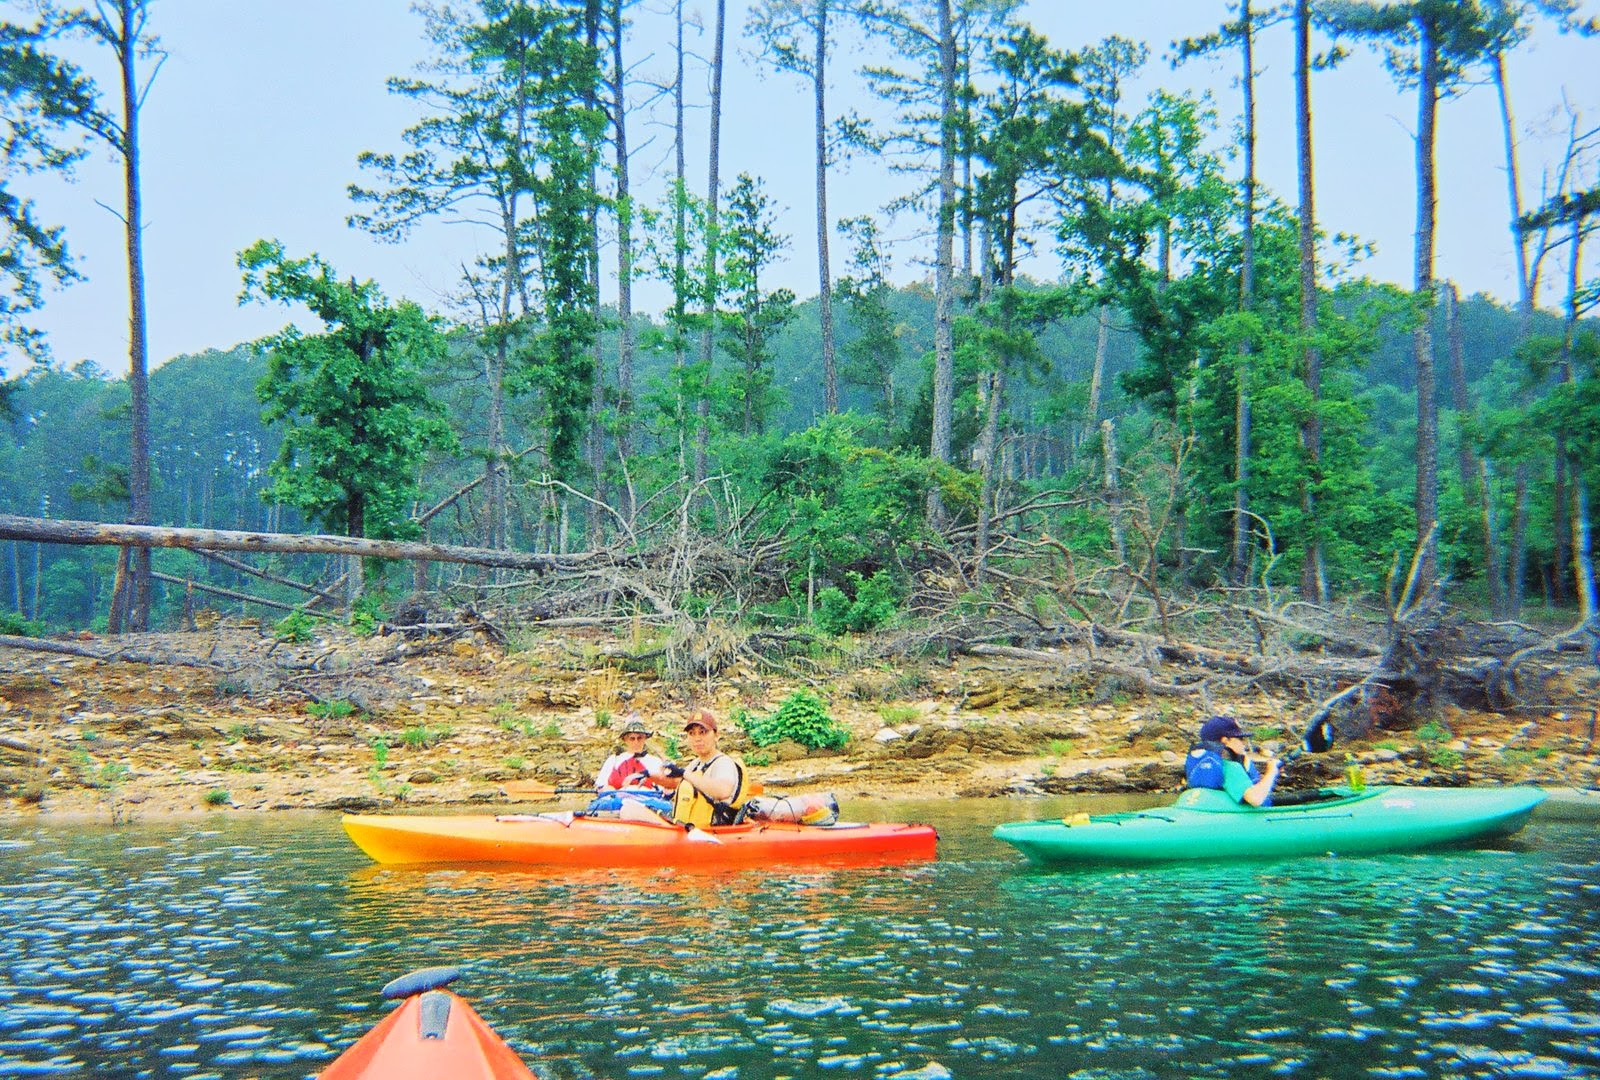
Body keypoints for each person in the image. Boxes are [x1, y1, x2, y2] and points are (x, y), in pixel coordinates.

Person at [647, 709, 749, 827]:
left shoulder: (724, 763)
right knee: (631, 808)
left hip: (711, 830)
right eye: (692, 733)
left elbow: (723, 790)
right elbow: (676, 783)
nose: (697, 738)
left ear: (716, 736)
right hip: (687, 827)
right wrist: (648, 775)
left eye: (703, 732)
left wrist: (684, 773)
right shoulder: (696, 764)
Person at [1184, 715, 1280, 807]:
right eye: (1240, 738)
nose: (1244, 743)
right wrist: (1271, 771)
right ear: (1225, 740)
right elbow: (1255, 799)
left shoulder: (1199, 760)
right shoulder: (1230, 767)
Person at [593, 716, 667, 793]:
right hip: (617, 801)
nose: (636, 742)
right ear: (625, 740)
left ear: (645, 739)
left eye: (639, 738)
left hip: (647, 801)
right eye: (632, 738)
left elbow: (663, 789)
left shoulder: (655, 762)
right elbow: (600, 786)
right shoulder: (614, 760)